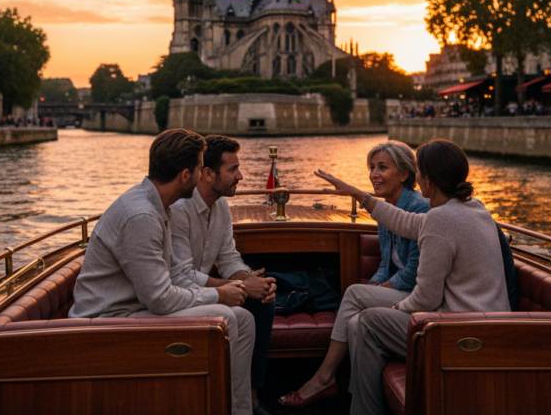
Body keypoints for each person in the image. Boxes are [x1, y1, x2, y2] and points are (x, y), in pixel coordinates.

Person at [314, 139, 510, 415]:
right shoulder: (475, 208)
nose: (417, 180)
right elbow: (405, 222)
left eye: (419, 173)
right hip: (491, 326)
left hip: (459, 331)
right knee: (366, 320)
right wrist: (360, 195)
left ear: (427, 180)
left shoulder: (440, 220)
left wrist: (398, 306)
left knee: (369, 323)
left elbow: (426, 297)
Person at [69, 129, 257, 415]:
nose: (200, 177)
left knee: (243, 320)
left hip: (132, 308)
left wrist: (223, 293)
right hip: (106, 320)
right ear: (185, 175)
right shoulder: (142, 216)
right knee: (227, 318)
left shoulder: (157, 206)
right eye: (197, 170)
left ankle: (239, 410)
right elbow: (160, 298)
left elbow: (173, 277)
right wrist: (218, 295)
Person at [279, 140, 429, 408]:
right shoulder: (385, 206)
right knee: (355, 323)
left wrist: (373, 292)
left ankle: (324, 378)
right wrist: (375, 285)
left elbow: (414, 273)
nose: (374, 174)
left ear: (405, 174)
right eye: (372, 167)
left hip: (417, 295)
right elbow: (387, 263)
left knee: (354, 293)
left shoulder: (419, 208)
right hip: (400, 290)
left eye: (383, 167)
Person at [171, 135, 277, 414]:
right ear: (207, 174)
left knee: (263, 299)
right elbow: (181, 275)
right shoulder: (178, 210)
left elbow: (228, 257)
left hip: (199, 285)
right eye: (233, 169)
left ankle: (251, 398)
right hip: (181, 290)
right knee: (243, 303)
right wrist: (239, 285)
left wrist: (251, 280)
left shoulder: (220, 207)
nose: (240, 176)